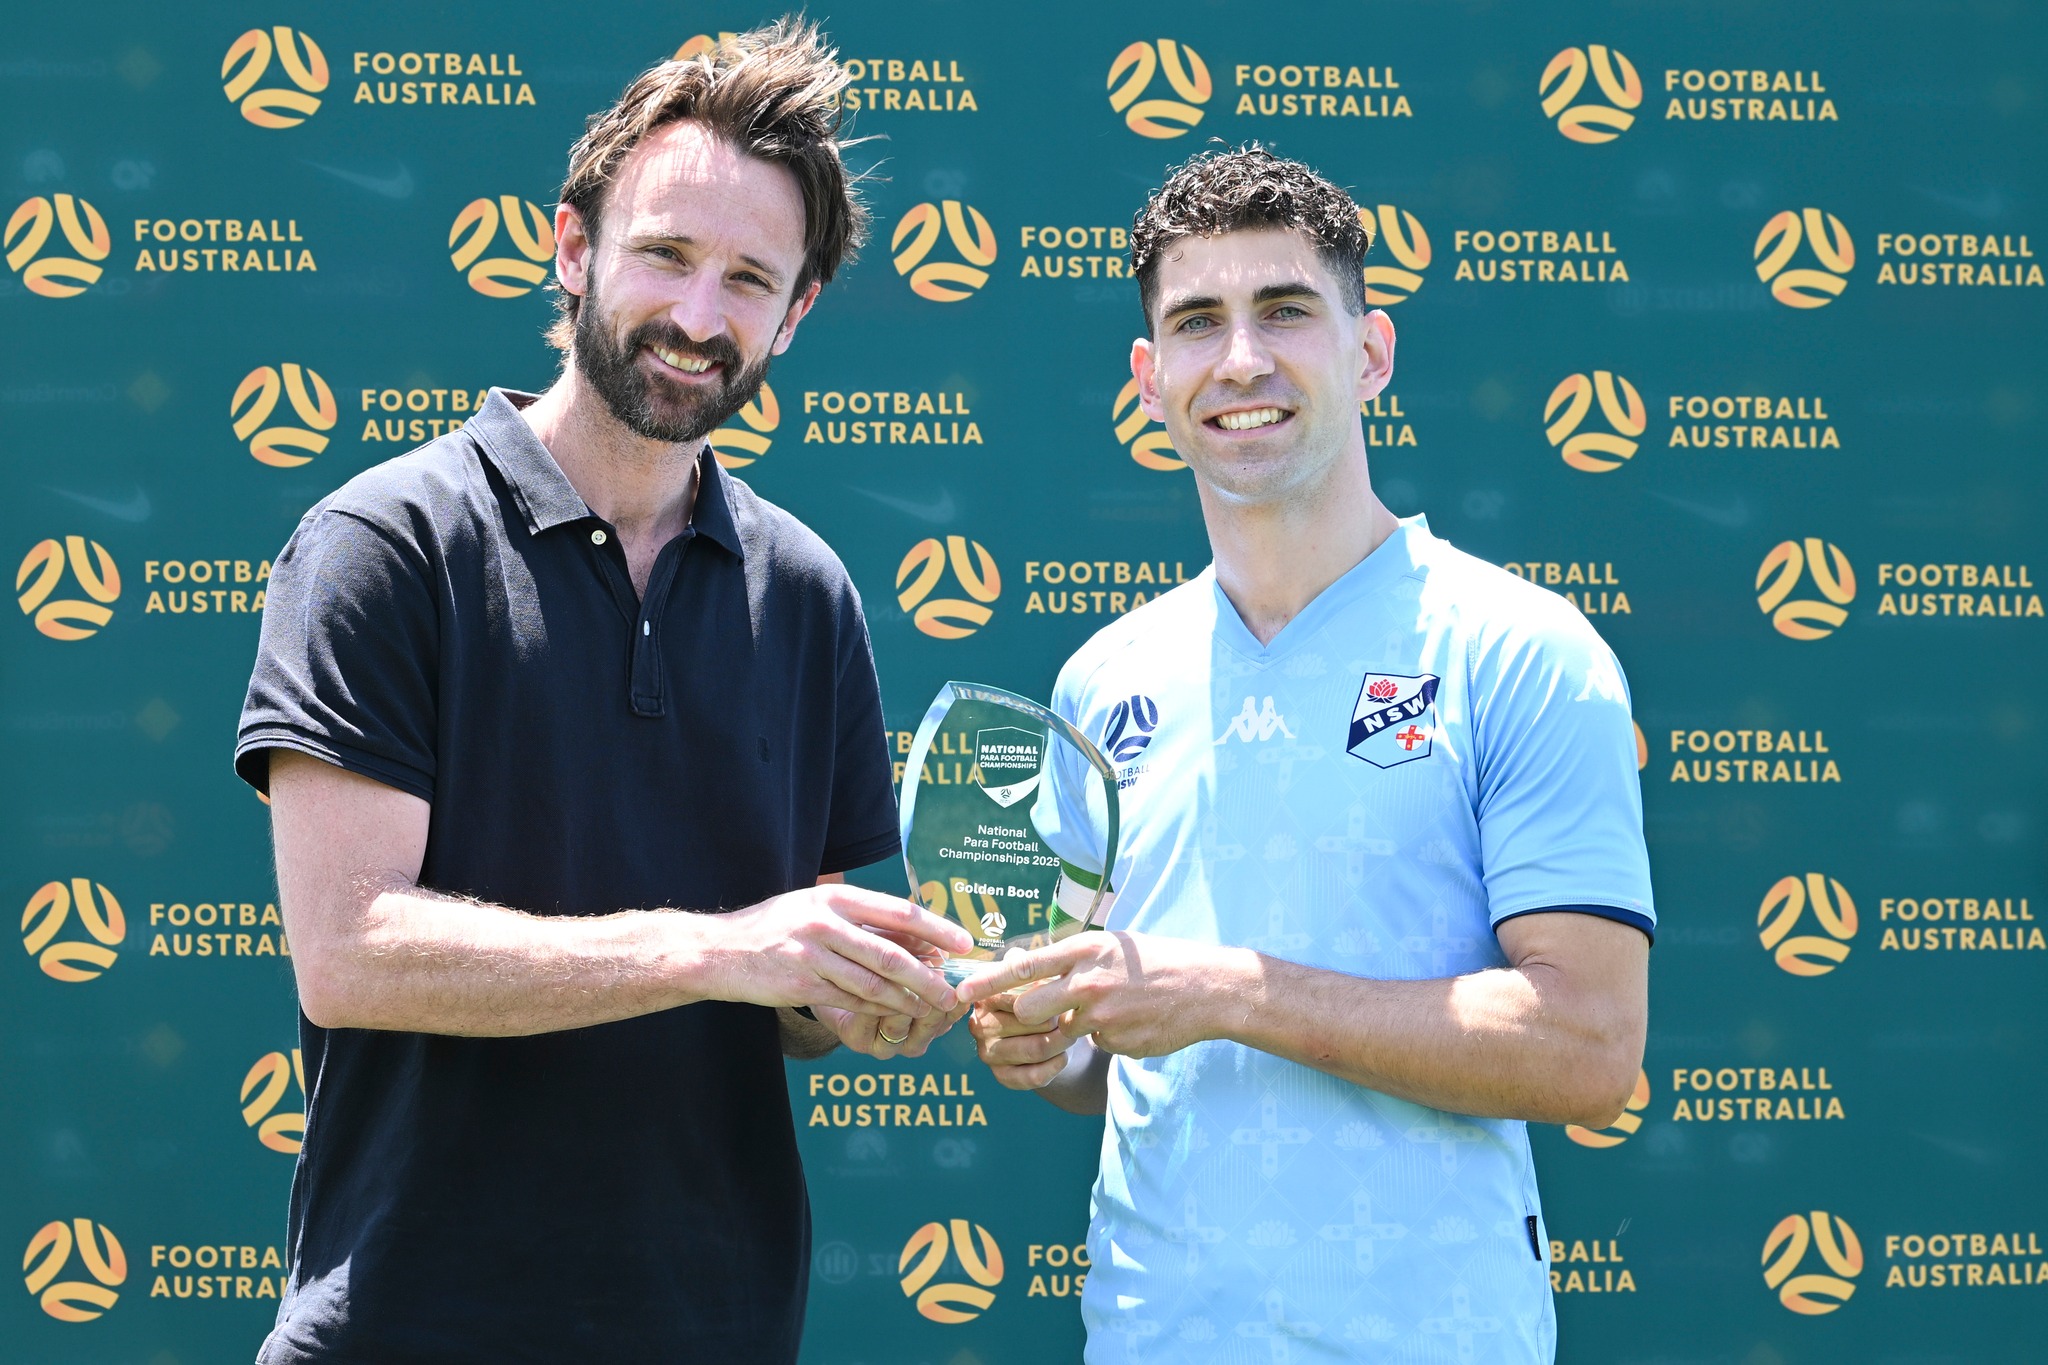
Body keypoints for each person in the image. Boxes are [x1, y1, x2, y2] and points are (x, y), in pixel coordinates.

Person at [233, 22, 971, 1365]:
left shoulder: (807, 590)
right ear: (573, 248)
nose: (699, 317)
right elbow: (349, 952)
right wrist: (718, 948)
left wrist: (854, 995)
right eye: (665, 255)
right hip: (408, 1331)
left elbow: (790, 1002)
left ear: (796, 313)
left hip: (718, 1330)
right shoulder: (382, 545)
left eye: (749, 279)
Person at [961, 146, 1654, 1362]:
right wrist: (1048, 1041)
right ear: (1148, 379)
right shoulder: (1101, 681)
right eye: (1196, 322)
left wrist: (1225, 991)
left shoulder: (1517, 649)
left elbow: (1587, 1047)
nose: (1240, 360)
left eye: (1283, 310)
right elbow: (1111, 1057)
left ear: (1369, 352)